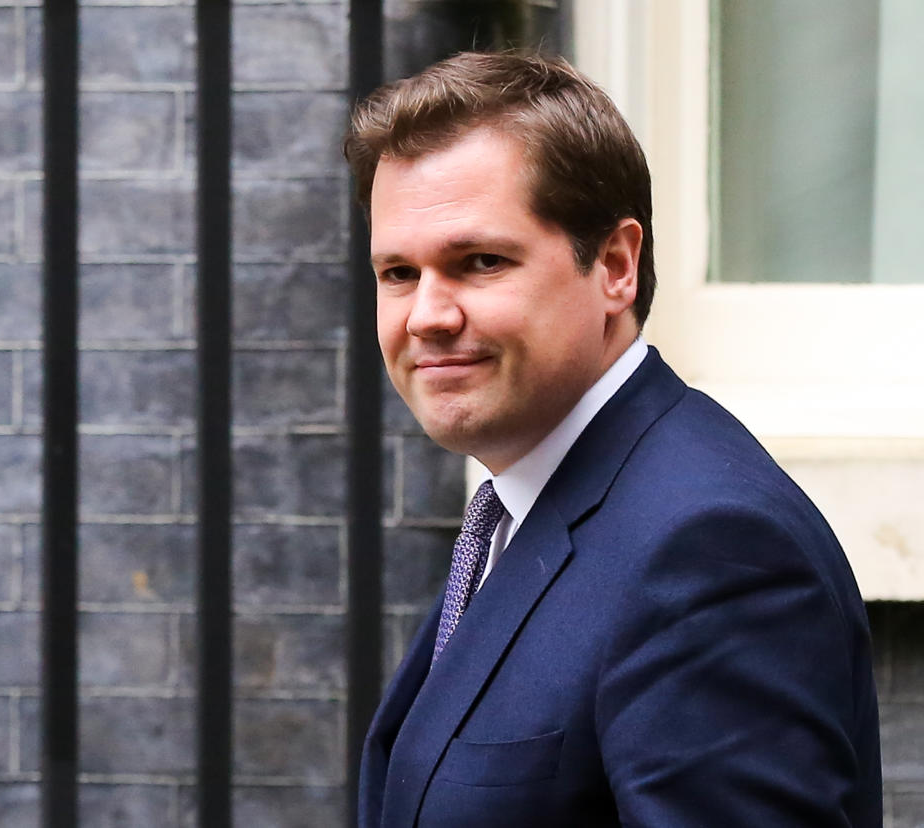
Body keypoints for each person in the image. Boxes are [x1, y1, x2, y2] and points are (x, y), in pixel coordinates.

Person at [345, 51, 882, 827]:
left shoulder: (710, 550)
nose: (427, 314)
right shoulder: (527, 505)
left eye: (480, 262)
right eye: (398, 273)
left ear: (617, 267)